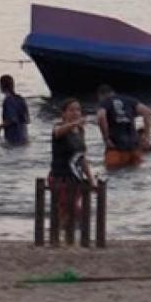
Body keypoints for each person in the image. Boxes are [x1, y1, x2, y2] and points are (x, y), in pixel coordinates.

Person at [50, 98, 95, 228]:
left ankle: (69, 233)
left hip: (76, 177)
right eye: (71, 110)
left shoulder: (80, 131)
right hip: (60, 176)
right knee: (68, 209)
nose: (75, 113)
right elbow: (58, 133)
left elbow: (82, 157)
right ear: (63, 113)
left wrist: (90, 178)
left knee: (72, 209)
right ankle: (60, 233)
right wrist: (73, 124)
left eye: (78, 110)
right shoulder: (58, 127)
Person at [96, 84, 151, 169]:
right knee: (136, 173)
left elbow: (100, 117)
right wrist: (147, 136)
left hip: (115, 146)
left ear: (101, 96)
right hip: (134, 145)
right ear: (113, 92)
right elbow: (148, 112)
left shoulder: (105, 102)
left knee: (112, 174)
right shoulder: (129, 100)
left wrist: (106, 138)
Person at [0, 75, 29, 146]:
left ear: (1, 86)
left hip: (14, 136)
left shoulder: (8, 100)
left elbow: (12, 119)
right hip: (24, 134)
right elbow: (27, 119)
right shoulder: (20, 98)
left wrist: (0, 126)